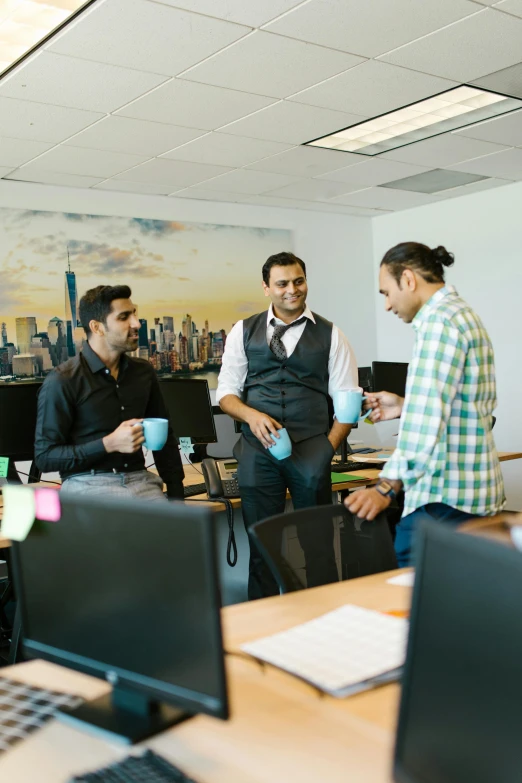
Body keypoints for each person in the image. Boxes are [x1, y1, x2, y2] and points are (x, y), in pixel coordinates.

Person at [345, 242, 505, 565]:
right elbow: (469, 409)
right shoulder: (462, 315)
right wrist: (406, 405)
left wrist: (385, 488)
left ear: (408, 279)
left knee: (415, 603)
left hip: (444, 498)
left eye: (386, 293)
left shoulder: (439, 325)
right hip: (473, 494)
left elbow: (427, 423)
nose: (388, 305)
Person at [217, 251, 359, 599]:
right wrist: (251, 415)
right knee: (262, 546)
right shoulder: (242, 331)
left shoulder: (331, 334)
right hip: (257, 452)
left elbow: (347, 404)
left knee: (319, 546)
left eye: (299, 281)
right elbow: (225, 394)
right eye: (282, 284)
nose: (292, 290)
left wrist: (326, 448)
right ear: (266, 288)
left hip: (311, 448)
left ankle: (324, 621)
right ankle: (262, 627)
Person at [35, 285, 184, 501]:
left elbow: (166, 438)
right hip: (86, 484)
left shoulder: (143, 372)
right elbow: (45, 458)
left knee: (180, 531)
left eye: (134, 314)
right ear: (97, 327)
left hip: (141, 482)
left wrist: (176, 497)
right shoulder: (62, 380)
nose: (136, 323)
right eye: (124, 317)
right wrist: (108, 444)